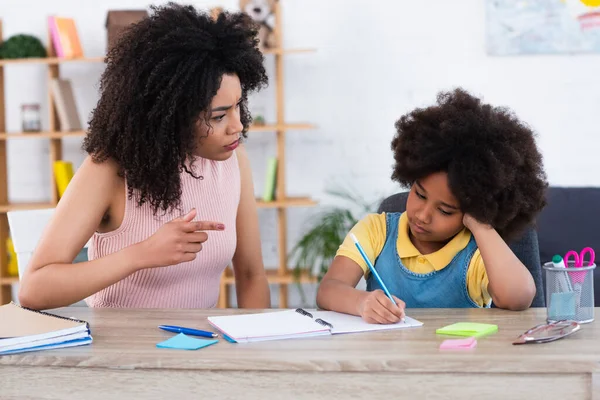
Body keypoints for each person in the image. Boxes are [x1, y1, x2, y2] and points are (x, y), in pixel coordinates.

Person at [19, 3, 271, 310]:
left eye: (238, 106)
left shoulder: (233, 161)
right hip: (120, 353)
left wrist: (252, 350)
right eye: (218, 116)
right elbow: (34, 289)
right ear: (170, 115)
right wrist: (142, 254)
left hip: (199, 350)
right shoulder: (108, 171)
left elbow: (250, 275)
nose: (238, 125)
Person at [316, 88, 548, 324]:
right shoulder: (376, 231)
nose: (423, 215)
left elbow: (519, 297)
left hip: (459, 358)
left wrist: (481, 226)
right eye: (419, 194)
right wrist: (361, 302)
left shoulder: (474, 254)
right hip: (386, 359)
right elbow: (328, 290)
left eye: (445, 210)